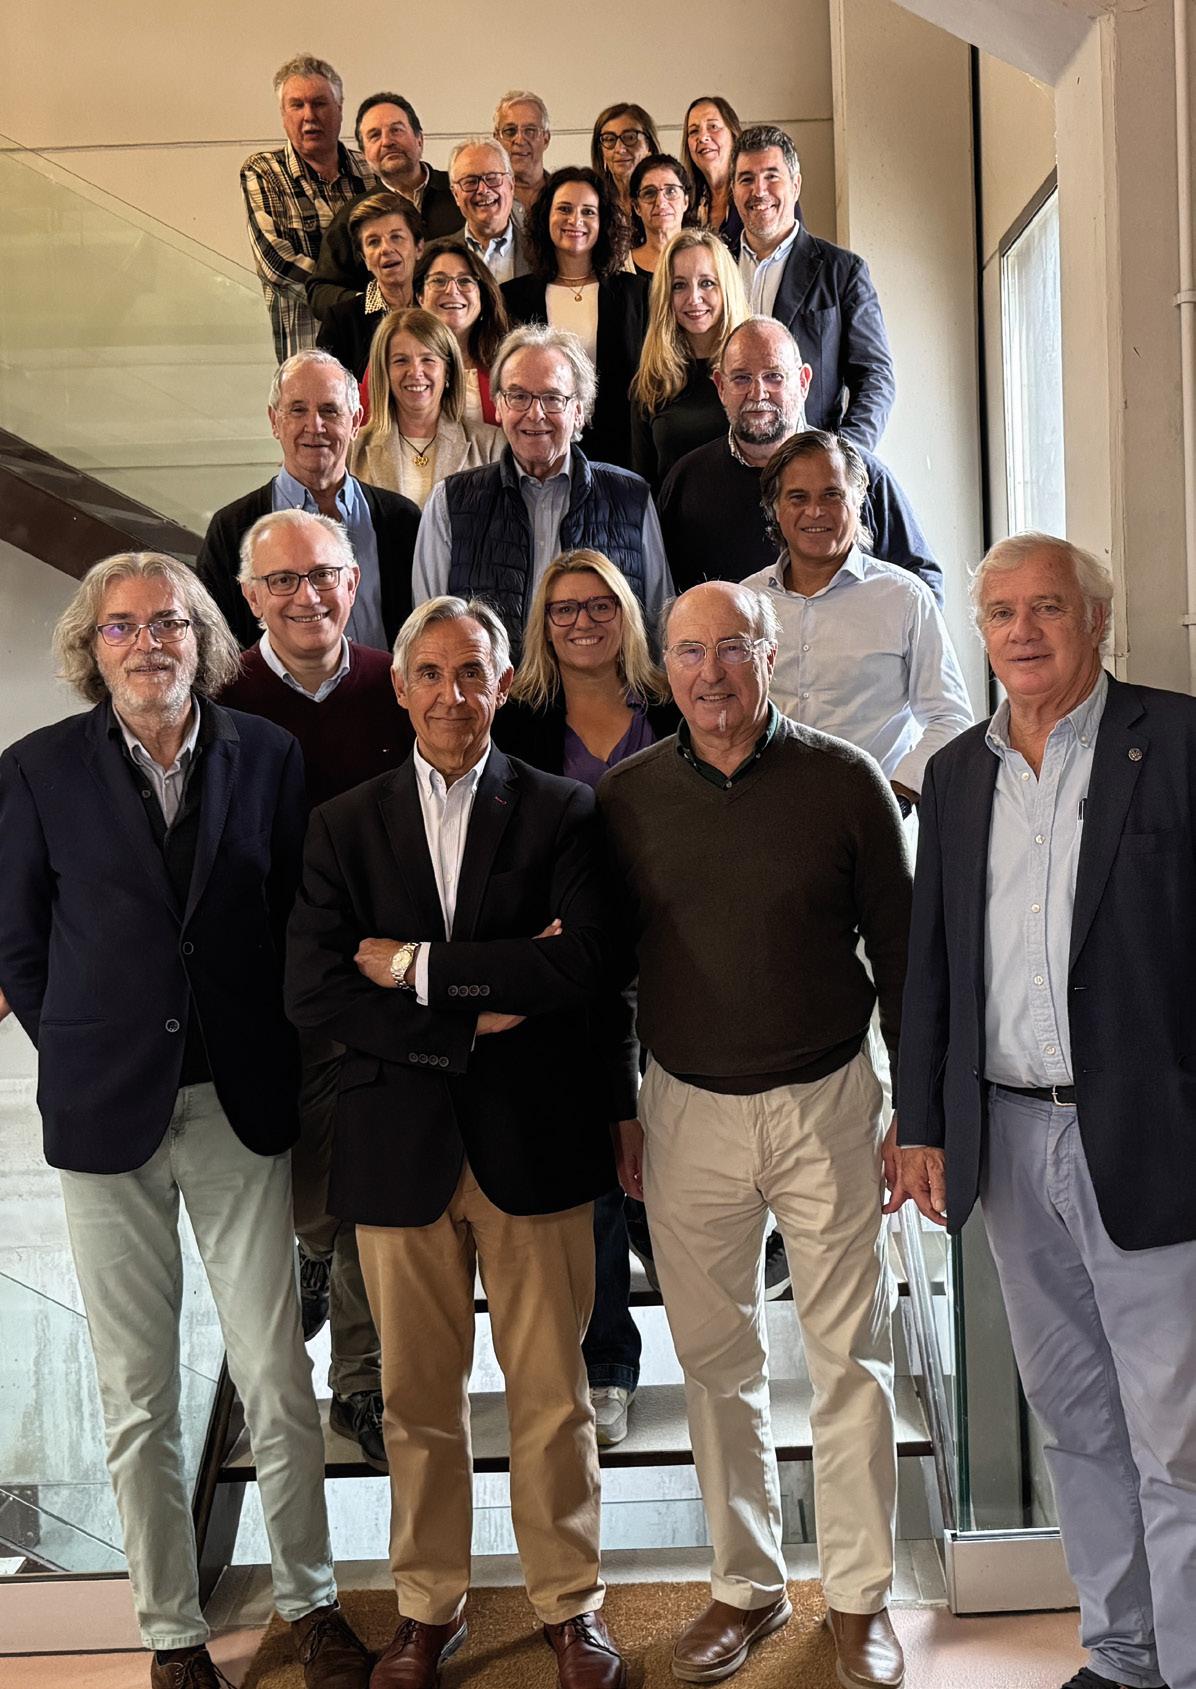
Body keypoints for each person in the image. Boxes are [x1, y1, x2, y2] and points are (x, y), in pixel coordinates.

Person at [0, 552, 372, 1689]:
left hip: (238, 1105)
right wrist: (81, 1047)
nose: (147, 643)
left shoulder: (267, 755)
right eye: (122, 627)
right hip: (102, 1115)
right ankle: (171, 1633)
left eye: (168, 623)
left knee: (276, 1374)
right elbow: (18, 944)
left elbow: (295, 916)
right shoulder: (34, 771)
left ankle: (312, 1604)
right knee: (138, 1392)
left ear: (203, 638)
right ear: (91, 647)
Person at [285, 595, 630, 1689]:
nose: (450, 696)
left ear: (502, 683)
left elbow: (581, 966)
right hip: (399, 1150)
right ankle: (426, 1609)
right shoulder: (344, 823)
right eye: (429, 674)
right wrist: (469, 1016)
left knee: (553, 1397)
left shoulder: (564, 810)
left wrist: (411, 966)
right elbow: (314, 989)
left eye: (471, 673)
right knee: (416, 1405)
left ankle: (570, 1605)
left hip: (536, 1142)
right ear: (398, 687)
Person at [599, 581, 911, 1689]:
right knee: (713, 1362)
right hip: (686, 1108)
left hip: (828, 1098)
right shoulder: (626, 797)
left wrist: (912, 1112)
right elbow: (605, 975)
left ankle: (861, 1598)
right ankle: (745, 1585)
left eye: (732, 646)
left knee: (849, 1359)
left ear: (769, 656)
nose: (710, 672)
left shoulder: (844, 781)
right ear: (665, 669)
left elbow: (903, 959)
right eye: (688, 653)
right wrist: (621, 1105)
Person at [899, 534, 1196, 1689]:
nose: (1021, 632)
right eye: (999, 612)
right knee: (1074, 1422)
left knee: (1174, 1434)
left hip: (1150, 1141)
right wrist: (921, 1124)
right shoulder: (954, 774)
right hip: (1009, 1143)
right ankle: (1120, 1657)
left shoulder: (1175, 742)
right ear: (977, 631)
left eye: (1047, 609)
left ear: (1095, 621)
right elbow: (932, 964)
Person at [220, 509, 415, 1472]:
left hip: (378, 982)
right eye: (282, 581)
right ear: (249, 596)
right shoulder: (220, 695)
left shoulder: (398, 684)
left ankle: (362, 1381)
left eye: (324, 575)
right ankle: (305, 1265)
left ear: (354, 581)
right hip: (260, 991)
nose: (307, 596)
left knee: (366, 1182)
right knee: (306, 1193)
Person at [493, 551, 678, 1446]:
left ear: (627, 612)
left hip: (678, 949)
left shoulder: (671, 704)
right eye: (564, 609)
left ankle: (702, 1290)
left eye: (600, 604)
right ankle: (607, 1364)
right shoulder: (520, 721)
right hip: (573, 961)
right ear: (543, 624)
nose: (583, 622)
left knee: (676, 1144)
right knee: (599, 1163)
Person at [412, 324, 673, 657]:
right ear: (499, 406)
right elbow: (430, 633)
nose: (535, 414)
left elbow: (658, 628)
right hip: (499, 691)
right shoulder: (449, 502)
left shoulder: (631, 498)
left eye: (552, 398)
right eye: (518, 396)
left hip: (606, 690)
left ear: (579, 411)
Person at [748, 430, 972, 807]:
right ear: (775, 508)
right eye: (798, 497)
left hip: (871, 819)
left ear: (859, 499)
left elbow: (950, 718)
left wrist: (896, 796)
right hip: (767, 814)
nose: (815, 512)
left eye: (832, 495)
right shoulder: (746, 601)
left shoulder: (904, 598)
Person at [659, 317, 941, 603]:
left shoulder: (858, 473)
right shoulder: (686, 482)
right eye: (742, 378)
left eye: (774, 376)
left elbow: (922, 587)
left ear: (803, 382)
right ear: (721, 387)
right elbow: (664, 596)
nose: (758, 393)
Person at [196, 350, 421, 652]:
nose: (314, 426)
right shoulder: (231, 530)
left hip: (386, 684)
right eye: (298, 410)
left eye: (330, 410)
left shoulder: (402, 520)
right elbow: (216, 647)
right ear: (274, 421)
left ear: (355, 421)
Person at [732, 124, 894, 449]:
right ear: (733, 190)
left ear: (796, 185)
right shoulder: (716, 267)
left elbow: (874, 378)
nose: (758, 191)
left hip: (810, 463)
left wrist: (842, 457)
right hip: (728, 459)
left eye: (771, 176)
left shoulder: (842, 271)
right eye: (746, 179)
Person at [502, 167, 644, 469]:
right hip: (541, 452)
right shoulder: (513, 297)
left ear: (603, 221)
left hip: (622, 452)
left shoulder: (636, 294)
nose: (575, 220)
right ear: (546, 217)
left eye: (588, 211)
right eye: (564, 209)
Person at [241, 54, 375, 363]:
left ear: (340, 109)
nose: (309, 115)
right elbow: (277, 264)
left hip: (373, 350)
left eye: (319, 103)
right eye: (297, 105)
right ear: (283, 114)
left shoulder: (371, 171)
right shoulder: (264, 171)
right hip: (309, 355)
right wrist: (362, 302)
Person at [306, 93, 464, 325]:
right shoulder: (354, 215)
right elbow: (320, 292)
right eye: (374, 136)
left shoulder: (461, 193)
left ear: (419, 139)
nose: (387, 141)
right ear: (364, 155)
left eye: (396, 130)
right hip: (388, 337)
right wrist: (375, 304)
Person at [631, 229, 749, 490]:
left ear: (726, 288)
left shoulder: (753, 374)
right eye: (679, 285)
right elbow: (642, 488)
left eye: (707, 283)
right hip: (670, 516)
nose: (694, 298)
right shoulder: (652, 381)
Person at [349, 308, 502, 509]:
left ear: (448, 370)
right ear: (384, 371)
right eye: (401, 361)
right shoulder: (352, 449)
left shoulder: (491, 445)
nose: (415, 372)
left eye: (428, 359)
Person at [316, 192, 424, 380]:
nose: (386, 249)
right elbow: (328, 387)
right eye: (373, 242)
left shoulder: (440, 306)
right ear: (364, 258)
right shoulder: (340, 321)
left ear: (419, 248)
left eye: (396, 237)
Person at [413, 237, 509, 425]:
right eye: (438, 281)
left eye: (465, 281)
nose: (452, 290)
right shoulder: (393, 357)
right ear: (420, 296)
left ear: (482, 296)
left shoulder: (510, 362)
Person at [447, 139, 531, 285]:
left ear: (511, 185)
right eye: (470, 182)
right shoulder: (434, 257)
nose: (483, 190)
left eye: (492, 178)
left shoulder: (543, 253)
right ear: (455, 195)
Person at [683, 96, 743, 250]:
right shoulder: (684, 203)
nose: (703, 137)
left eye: (713, 127)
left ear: (733, 134)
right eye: (694, 131)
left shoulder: (757, 191)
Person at [627, 153, 694, 279]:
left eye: (671, 191)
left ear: (685, 201)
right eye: (649, 193)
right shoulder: (621, 267)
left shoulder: (708, 259)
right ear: (636, 207)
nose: (661, 202)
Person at [590, 103, 660, 221]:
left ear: (649, 146)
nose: (620, 149)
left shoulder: (666, 199)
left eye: (630, 138)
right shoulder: (593, 203)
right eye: (610, 139)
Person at [493, 90, 552, 214]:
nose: (519, 140)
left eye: (530, 131)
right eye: (510, 131)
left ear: (546, 139)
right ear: (496, 140)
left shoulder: (564, 195)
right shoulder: (482, 198)